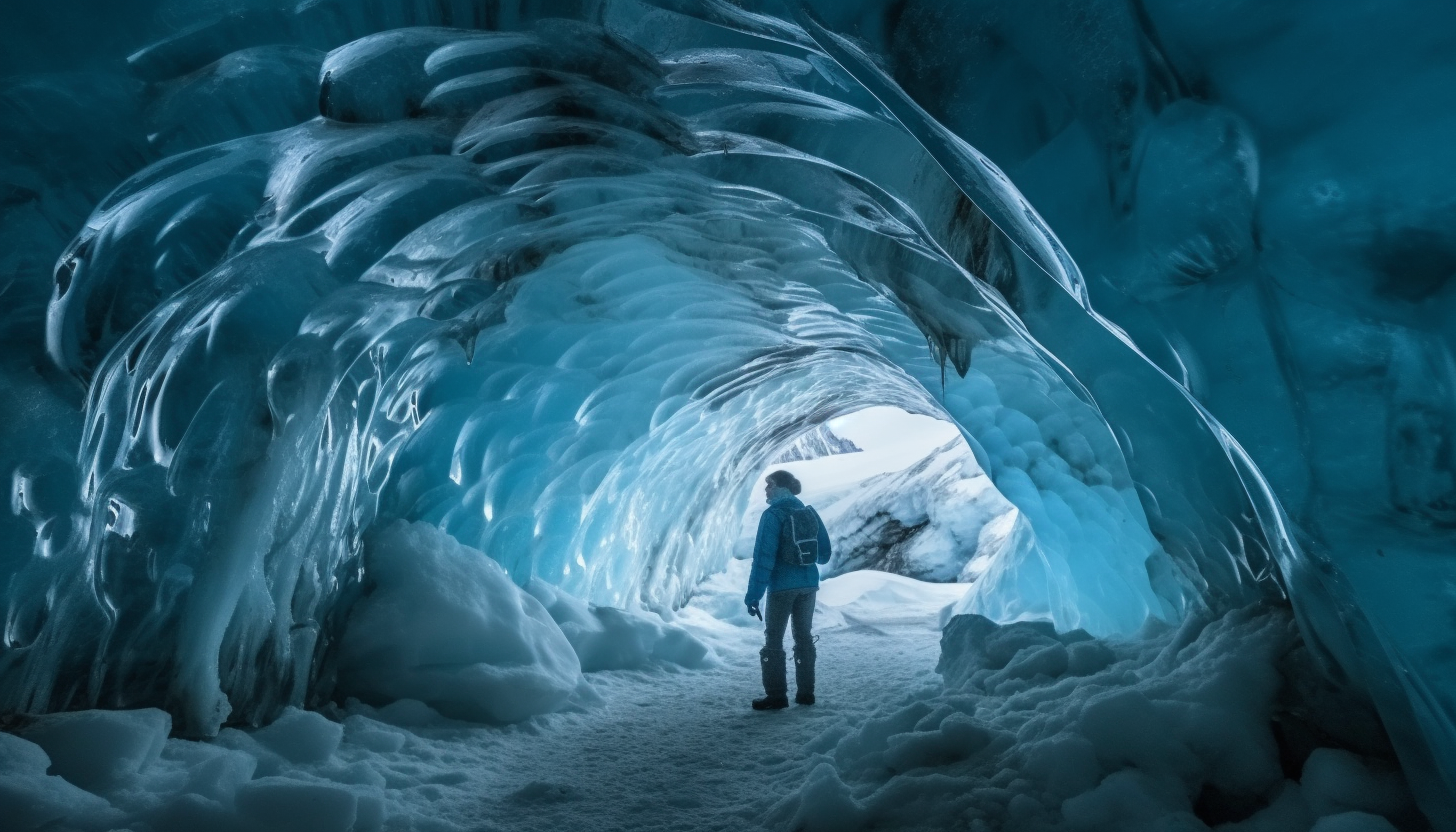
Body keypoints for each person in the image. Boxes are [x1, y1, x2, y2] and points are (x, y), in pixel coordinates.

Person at [744, 469, 832, 710]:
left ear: (781, 487)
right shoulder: (808, 512)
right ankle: (806, 693)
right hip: (809, 586)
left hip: (781, 587)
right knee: (804, 637)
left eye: (769, 484)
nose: (766, 489)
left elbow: (763, 558)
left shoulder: (772, 515)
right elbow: (824, 555)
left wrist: (753, 595)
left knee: (773, 639)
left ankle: (776, 696)